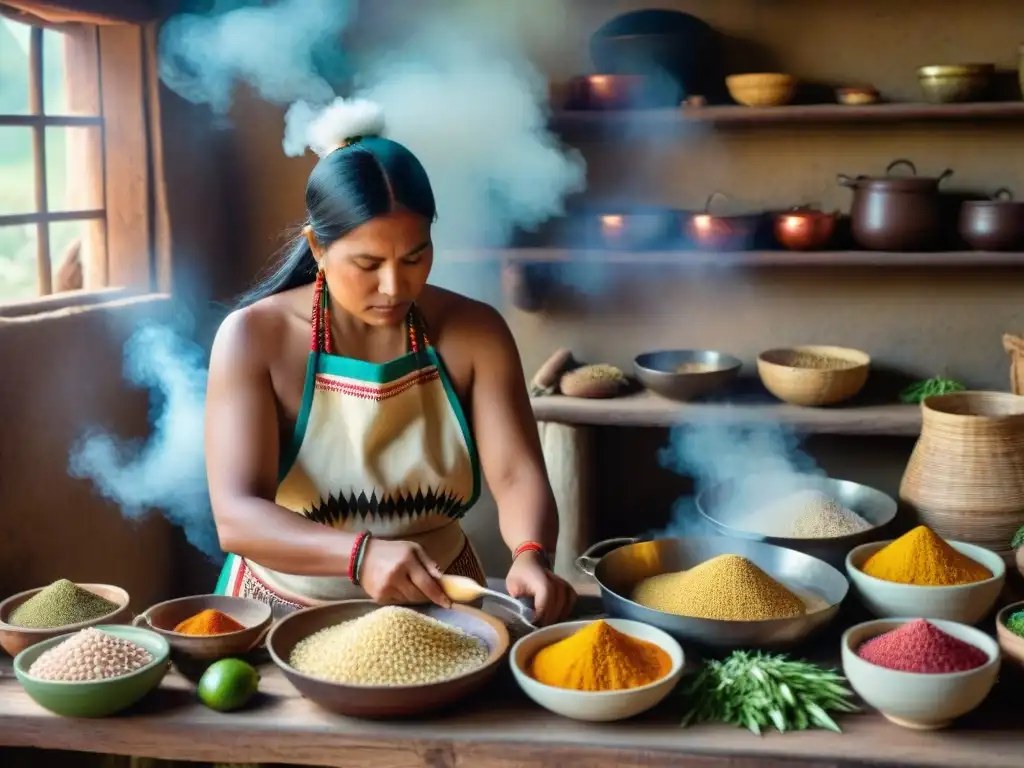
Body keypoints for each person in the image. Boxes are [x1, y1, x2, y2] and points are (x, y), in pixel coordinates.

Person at [205, 99, 576, 625]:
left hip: (443, 598)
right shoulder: (252, 339)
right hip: (285, 604)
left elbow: (516, 474)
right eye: (367, 263)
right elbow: (237, 516)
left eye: (414, 257)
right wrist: (358, 555)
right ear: (317, 247)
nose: (395, 286)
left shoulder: (476, 332)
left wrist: (531, 553)